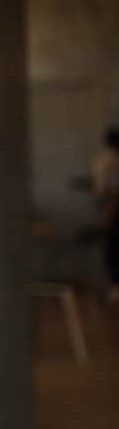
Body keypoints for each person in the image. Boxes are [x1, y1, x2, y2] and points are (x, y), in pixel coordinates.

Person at [94, 127, 119, 301]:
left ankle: (115, 286)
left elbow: (109, 190)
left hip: (112, 205)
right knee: (113, 246)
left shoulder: (106, 160)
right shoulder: (110, 160)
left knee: (112, 247)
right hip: (113, 205)